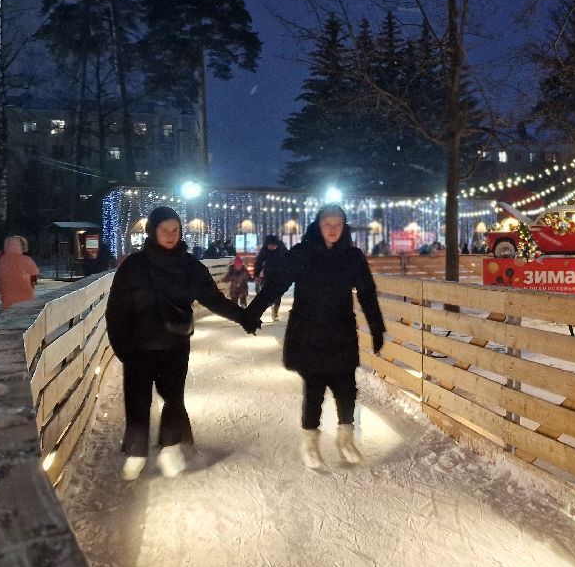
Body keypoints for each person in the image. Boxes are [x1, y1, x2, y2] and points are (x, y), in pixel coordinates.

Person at [106, 206, 260, 481]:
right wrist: (122, 346)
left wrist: (244, 317)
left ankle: (169, 447)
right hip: (139, 347)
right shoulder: (134, 266)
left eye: (175, 230)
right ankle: (136, 451)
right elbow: (116, 309)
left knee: (173, 398)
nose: (170, 234)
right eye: (164, 229)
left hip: (174, 344)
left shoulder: (189, 266)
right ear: (153, 231)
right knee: (137, 400)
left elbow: (213, 299)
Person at [246, 205, 385, 470]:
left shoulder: (352, 257)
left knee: (347, 389)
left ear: (344, 227)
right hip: (309, 333)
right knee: (315, 389)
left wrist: (377, 327)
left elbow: (367, 293)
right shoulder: (303, 253)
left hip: (341, 332)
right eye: (327, 224)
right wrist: (253, 312)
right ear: (318, 225)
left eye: (338, 224)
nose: (332, 229)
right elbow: (276, 284)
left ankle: (346, 439)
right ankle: (309, 443)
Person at [0, 236, 39, 309]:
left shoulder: (1, 260)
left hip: (7, 301)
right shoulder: (26, 259)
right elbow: (34, 271)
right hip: (25, 298)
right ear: (22, 246)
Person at [253, 234, 290, 322]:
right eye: (270, 246)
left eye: (274, 245)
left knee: (278, 295)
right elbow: (259, 262)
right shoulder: (264, 250)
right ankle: (270, 305)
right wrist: (256, 275)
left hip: (280, 275)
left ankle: (276, 311)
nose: (272, 247)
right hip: (268, 274)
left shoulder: (282, 249)